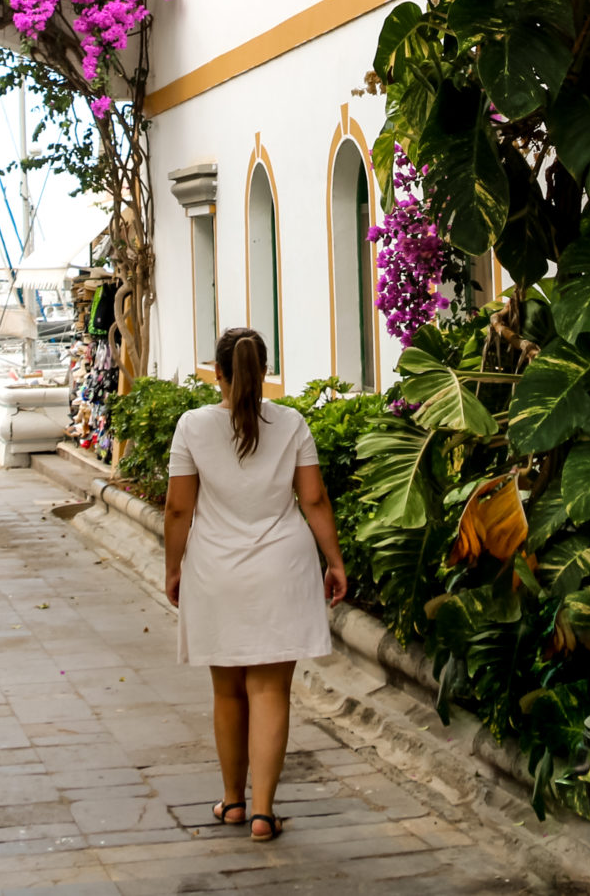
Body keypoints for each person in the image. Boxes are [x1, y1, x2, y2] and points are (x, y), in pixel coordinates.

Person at [163, 327, 345, 844]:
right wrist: (333, 560)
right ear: (263, 372)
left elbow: (179, 507)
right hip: (282, 569)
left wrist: (172, 567)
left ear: (216, 373)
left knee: (228, 691)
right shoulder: (291, 423)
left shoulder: (193, 426)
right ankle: (265, 812)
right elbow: (313, 500)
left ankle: (234, 802)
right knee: (270, 690)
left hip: (216, 570)